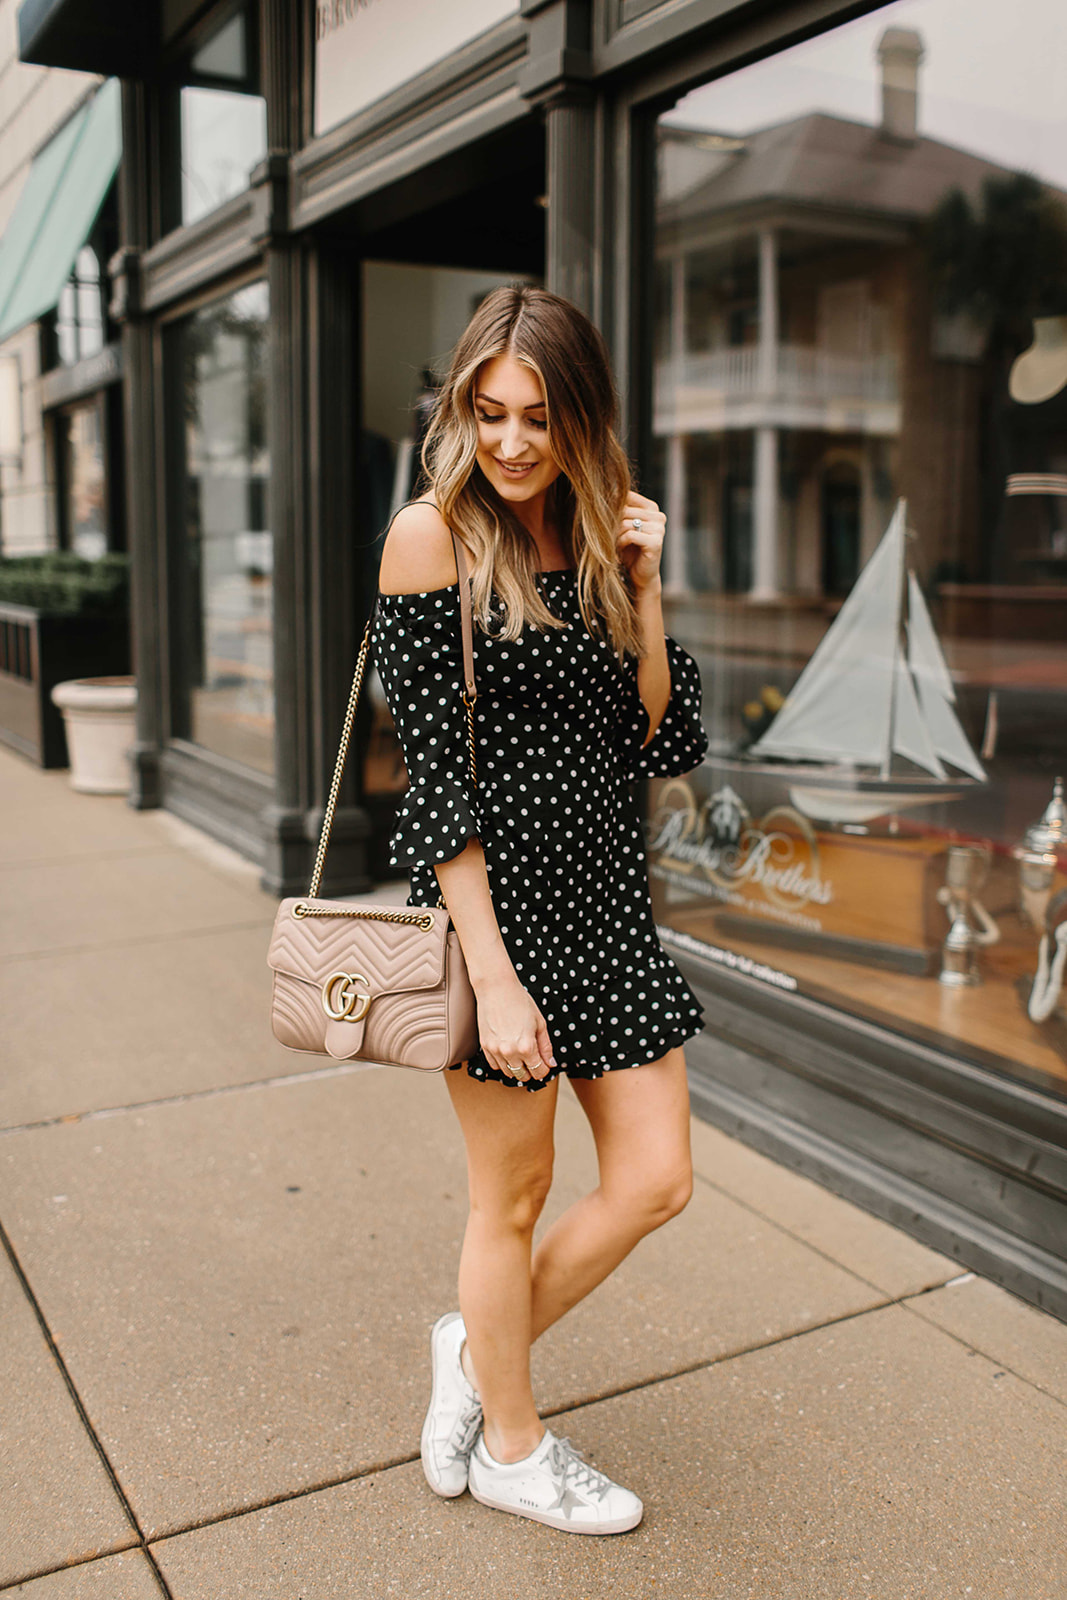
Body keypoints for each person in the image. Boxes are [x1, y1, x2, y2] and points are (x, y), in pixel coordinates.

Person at [372, 284, 708, 1536]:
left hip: (606, 909)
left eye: (537, 416)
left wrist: (646, 583)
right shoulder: (432, 536)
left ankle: (473, 1343)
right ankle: (512, 1444)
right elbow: (433, 778)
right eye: (487, 411)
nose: (510, 442)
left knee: (657, 1179)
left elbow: (659, 731)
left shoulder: (597, 527)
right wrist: (495, 975)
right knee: (507, 1200)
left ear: (581, 416)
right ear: (461, 404)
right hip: (493, 925)